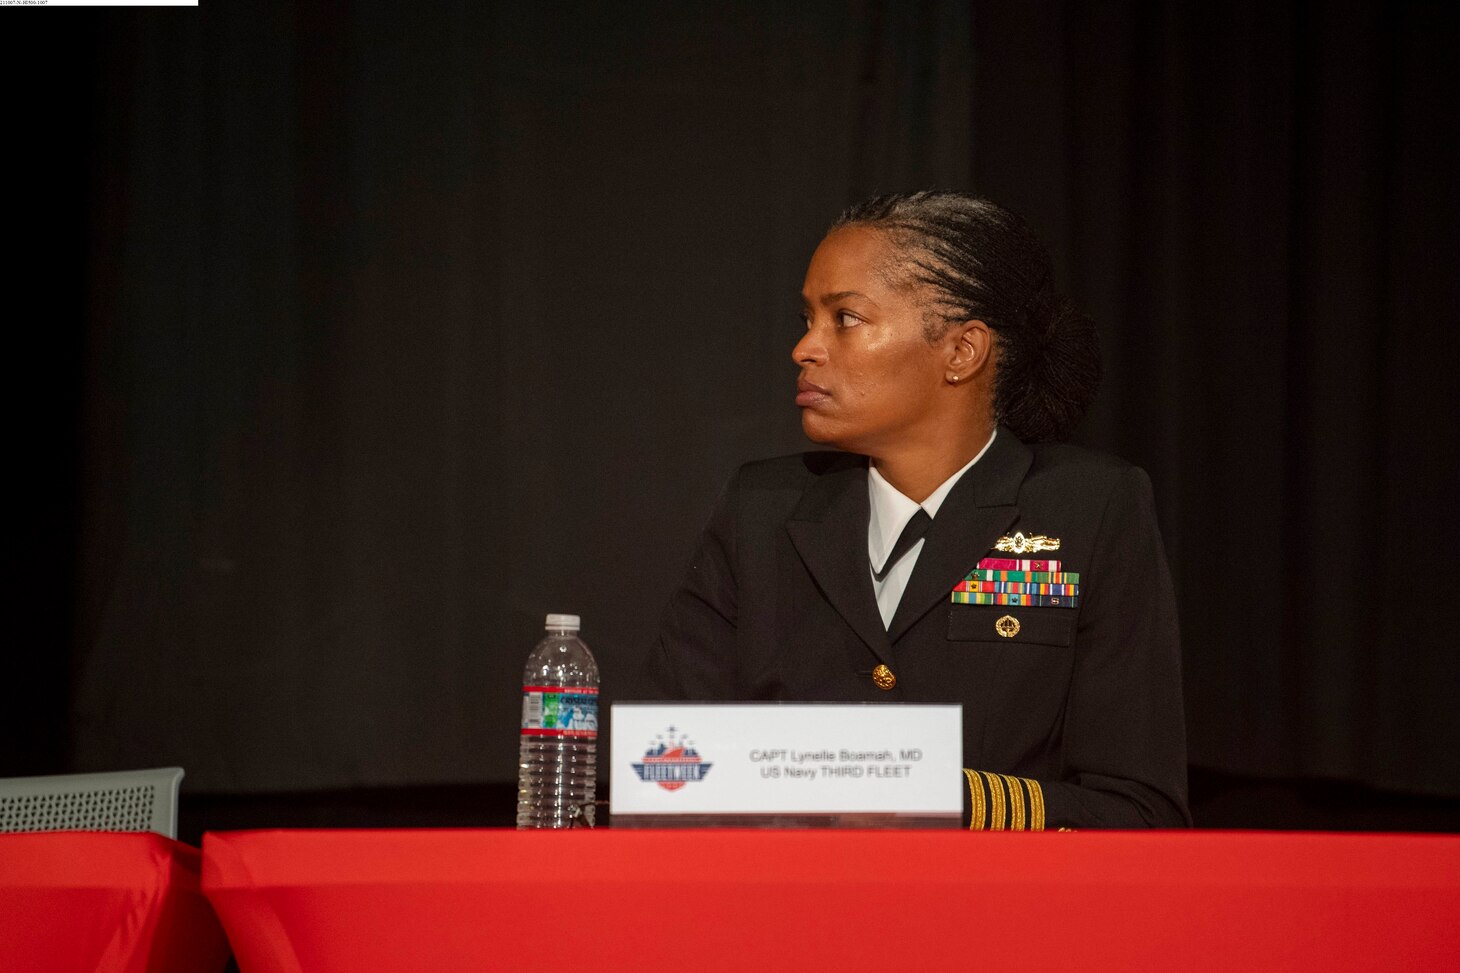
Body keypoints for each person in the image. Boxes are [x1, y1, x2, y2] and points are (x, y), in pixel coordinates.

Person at [643, 192, 1189, 829]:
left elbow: (1140, 812)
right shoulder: (761, 508)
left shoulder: (1088, 507)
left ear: (962, 351)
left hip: (993, 915)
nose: (805, 348)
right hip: (792, 910)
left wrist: (920, 791)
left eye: (844, 318)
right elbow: (665, 774)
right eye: (806, 319)